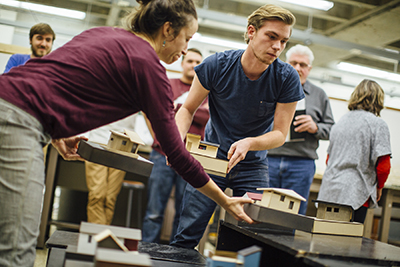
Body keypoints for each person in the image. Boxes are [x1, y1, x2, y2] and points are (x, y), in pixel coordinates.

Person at [0, 1, 254, 265]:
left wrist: (57, 134)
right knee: (17, 251)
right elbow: (176, 154)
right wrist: (224, 199)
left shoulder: (102, 33)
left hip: (9, 106)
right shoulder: (149, 68)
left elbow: (49, 82)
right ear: (168, 30)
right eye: (186, 39)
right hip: (16, 123)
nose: (186, 48)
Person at [171, 4, 305, 249]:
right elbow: (187, 109)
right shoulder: (216, 66)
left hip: (253, 164)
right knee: (187, 234)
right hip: (212, 159)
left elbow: (280, 135)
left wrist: (250, 143)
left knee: (251, 239)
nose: (277, 47)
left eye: (284, 41)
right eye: (272, 37)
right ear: (251, 32)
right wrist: (176, 144)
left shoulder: (286, 78)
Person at [142, 48, 208, 243]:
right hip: (162, 154)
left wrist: (177, 109)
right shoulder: (167, 85)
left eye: (198, 61)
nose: (193, 64)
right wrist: (157, 135)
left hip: (190, 158)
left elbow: (207, 117)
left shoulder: (205, 92)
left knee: (183, 213)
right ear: (182, 64)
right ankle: (146, 254)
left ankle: (174, 257)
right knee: (154, 211)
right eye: (190, 60)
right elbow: (151, 110)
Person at [267, 44, 335, 215]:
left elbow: (332, 129)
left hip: (301, 163)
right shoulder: (272, 87)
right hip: (269, 159)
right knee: (262, 209)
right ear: (285, 64)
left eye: (303, 65)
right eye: (294, 63)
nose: (298, 68)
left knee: (292, 213)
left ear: (309, 69)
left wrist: (315, 127)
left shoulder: (319, 95)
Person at [317, 79, 391, 223]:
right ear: (379, 99)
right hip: (355, 194)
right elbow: (383, 166)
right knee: (349, 241)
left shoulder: (340, 122)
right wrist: (379, 188)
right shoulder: (378, 124)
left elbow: (329, 159)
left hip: (330, 191)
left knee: (323, 238)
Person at [84, 115, 137, 225]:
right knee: (97, 195)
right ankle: (99, 238)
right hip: (98, 139)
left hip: (124, 144)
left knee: (110, 199)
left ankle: (101, 237)